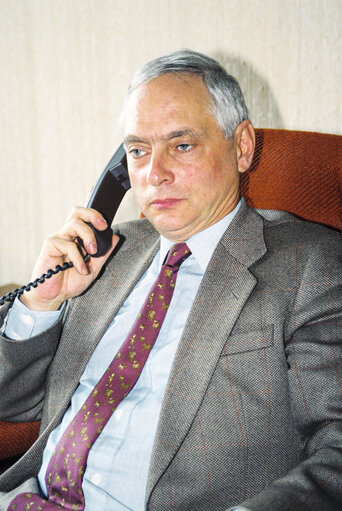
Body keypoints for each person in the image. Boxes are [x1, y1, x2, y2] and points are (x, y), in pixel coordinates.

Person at [0, 49, 341, 511]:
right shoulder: (105, 250)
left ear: (242, 147)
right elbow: (10, 406)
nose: (153, 174)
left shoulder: (308, 263)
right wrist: (39, 305)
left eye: (181, 145)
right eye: (138, 150)